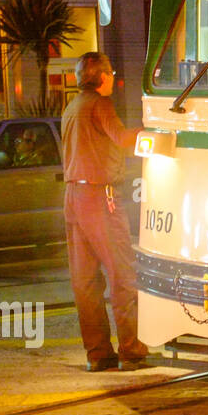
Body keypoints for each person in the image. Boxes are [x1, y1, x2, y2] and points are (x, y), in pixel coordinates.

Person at [61, 52, 148, 372]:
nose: (114, 78)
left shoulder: (71, 108)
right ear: (101, 77)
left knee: (84, 281)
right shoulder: (100, 104)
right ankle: (132, 349)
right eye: (111, 73)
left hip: (73, 197)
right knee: (121, 273)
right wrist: (153, 133)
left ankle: (98, 354)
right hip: (101, 197)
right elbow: (122, 139)